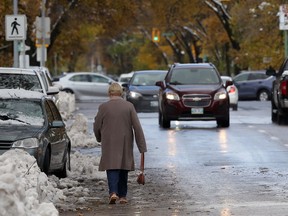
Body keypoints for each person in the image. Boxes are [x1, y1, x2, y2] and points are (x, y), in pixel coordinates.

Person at [93, 82, 147, 204]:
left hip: (109, 141)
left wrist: (99, 137)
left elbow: (96, 126)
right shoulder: (129, 106)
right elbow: (137, 127)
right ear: (121, 93)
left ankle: (113, 192)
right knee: (123, 167)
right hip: (125, 141)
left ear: (109, 93)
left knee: (112, 166)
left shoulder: (103, 107)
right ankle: (122, 196)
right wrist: (141, 146)